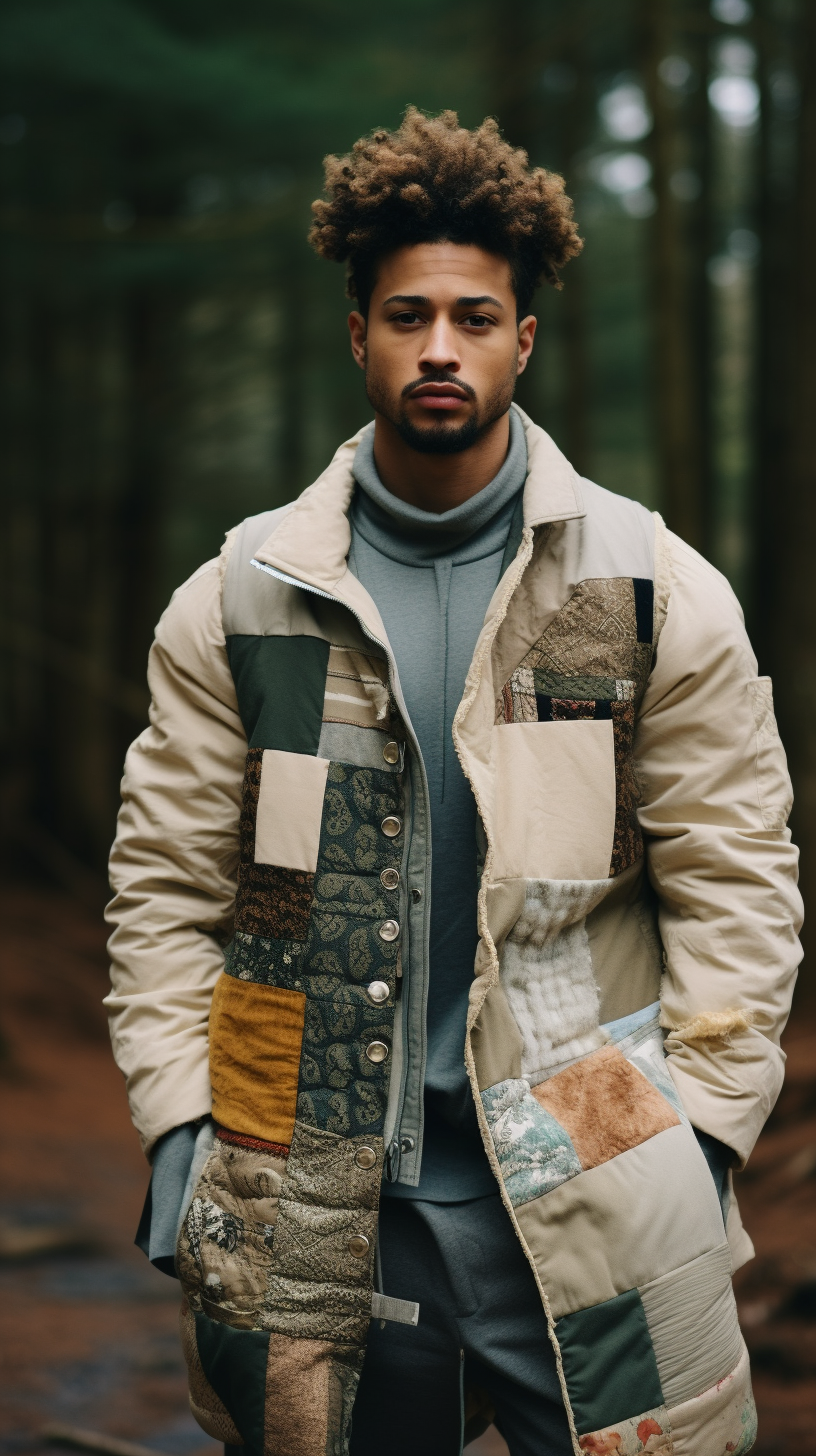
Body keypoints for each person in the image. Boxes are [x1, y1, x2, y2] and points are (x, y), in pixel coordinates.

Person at [105, 108, 801, 1456]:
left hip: (596, 1174)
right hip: (308, 1189)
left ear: (522, 340)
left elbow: (737, 875)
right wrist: (182, 1122)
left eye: (475, 317)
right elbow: (166, 891)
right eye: (408, 314)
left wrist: (702, 1140)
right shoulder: (247, 600)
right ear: (356, 330)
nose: (440, 347)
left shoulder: (645, 588)